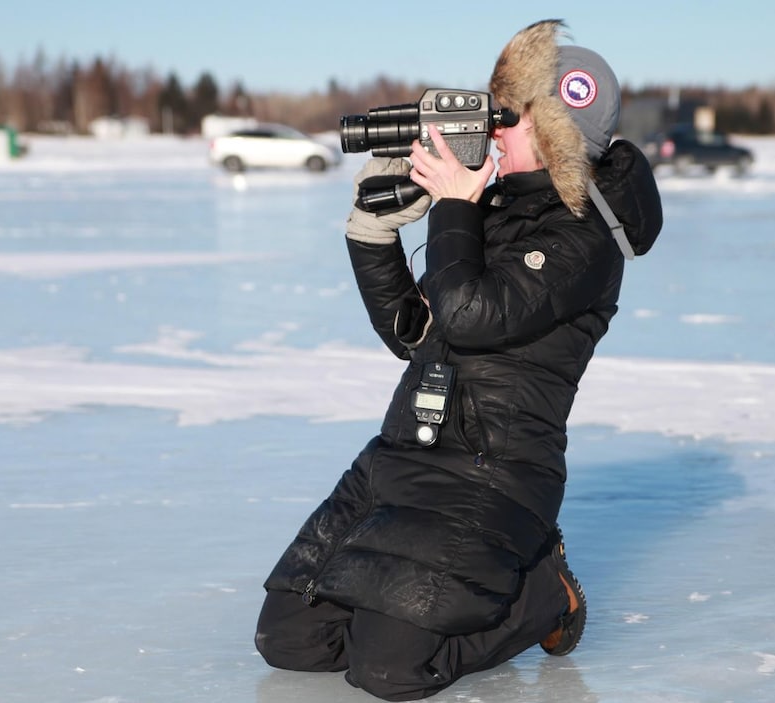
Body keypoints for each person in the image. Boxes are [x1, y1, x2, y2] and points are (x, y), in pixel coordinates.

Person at [254, 19, 662, 701]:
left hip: (494, 472)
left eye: (513, 115)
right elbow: (415, 333)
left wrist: (452, 206)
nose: (495, 126)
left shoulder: (585, 238)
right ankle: (404, 604)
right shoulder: (492, 203)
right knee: (290, 637)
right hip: (404, 450)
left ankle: (544, 594)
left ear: (559, 129)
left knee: (390, 668)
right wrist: (371, 232)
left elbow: (472, 316)